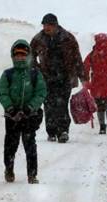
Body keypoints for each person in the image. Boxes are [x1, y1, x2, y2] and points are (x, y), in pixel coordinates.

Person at [30, 13, 89, 143]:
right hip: (46, 78)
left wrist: (83, 78)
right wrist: (35, 70)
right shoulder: (38, 39)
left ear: (55, 25)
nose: (46, 28)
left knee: (62, 104)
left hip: (65, 78)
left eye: (49, 25)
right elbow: (30, 57)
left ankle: (63, 131)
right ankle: (51, 131)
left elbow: (77, 59)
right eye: (44, 25)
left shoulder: (68, 38)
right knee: (49, 104)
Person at [0, 39, 47, 184]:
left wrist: (30, 107)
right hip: (12, 117)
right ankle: (9, 169)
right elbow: (2, 92)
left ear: (29, 56)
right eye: (17, 55)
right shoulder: (7, 74)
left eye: (23, 55)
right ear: (13, 56)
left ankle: (32, 174)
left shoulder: (34, 74)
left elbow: (41, 92)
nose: (20, 57)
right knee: (10, 145)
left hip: (29, 116)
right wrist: (10, 108)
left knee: (30, 145)